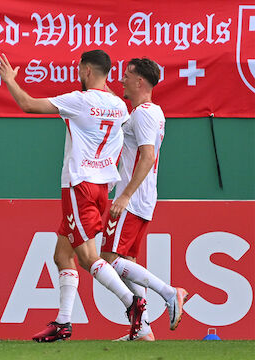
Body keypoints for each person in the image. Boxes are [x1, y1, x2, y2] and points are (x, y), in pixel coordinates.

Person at [0, 50, 146, 341]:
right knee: (62, 254)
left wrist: (9, 80)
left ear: (87, 71)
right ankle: (63, 322)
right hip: (102, 186)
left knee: (88, 258)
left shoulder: (79, 100)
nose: (78, 73)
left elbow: (27, 104)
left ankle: (131, 302)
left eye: (79, 68)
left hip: (79, 186)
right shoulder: (118, 106)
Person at [100, 58, 188, 341]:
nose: (122, 80)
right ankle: (143, 329)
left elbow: (148, 156)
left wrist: (124, 196)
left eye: (127, 76)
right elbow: (127, 124)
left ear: (140, 82)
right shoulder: (145, 112)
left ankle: (169, 292)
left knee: (108, 259)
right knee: (127, 261)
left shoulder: (145, 115)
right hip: (142, 198)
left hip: (133, 199)